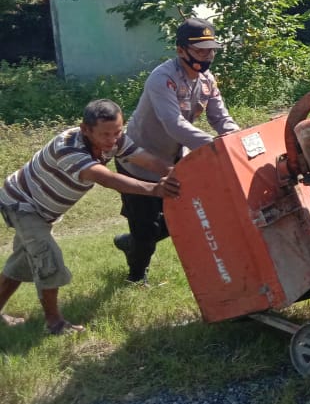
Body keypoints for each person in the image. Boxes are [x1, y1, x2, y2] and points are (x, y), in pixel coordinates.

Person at [0, 100, 179, 334]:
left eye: (117, 131)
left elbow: (144, 158)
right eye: (105, 134)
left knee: (23, 261)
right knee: (48, 257)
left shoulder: (115, 139)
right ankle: (55, 324)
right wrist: (154, 189)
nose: (113, 139)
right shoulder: (68, 146)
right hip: (21, 204)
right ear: (85, 129)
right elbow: (105, 178)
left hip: (44, 211)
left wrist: (177, 172)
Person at [113, 17, 239, 284]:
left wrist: (236, 139)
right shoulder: (163, 78)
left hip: (174, 161)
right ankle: (135, 278)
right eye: (200, 50)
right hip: (138, 161)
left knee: (189, 214)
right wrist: (215, 149)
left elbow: (221, 118)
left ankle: (133, 241)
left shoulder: (206, 80)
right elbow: (174, 123)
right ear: (181, 50)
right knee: (147, 230)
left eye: (211, 50)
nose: (207, 56)